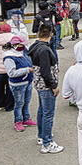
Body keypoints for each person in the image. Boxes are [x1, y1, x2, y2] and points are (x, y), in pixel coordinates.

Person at [28, 24, 63, 153]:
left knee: (42, 110)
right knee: (48, 113)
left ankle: (42, 136)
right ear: (51, 34)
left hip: (39, 84)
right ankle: (47, 143)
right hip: (46, 85)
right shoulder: (44, 50)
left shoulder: (36, 46)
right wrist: (53, 85)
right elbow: (45, 71)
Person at [3, 35, 35, 132]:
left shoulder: (22, 51)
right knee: (19, 103)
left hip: (27, 81)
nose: (24, 46)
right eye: (22, 45)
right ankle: (18, 122)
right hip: (18, 85)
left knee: (27, 101)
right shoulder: (9, 57)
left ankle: (26, 118)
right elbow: (11, 73)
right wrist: (27, 70)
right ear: (15, 45)